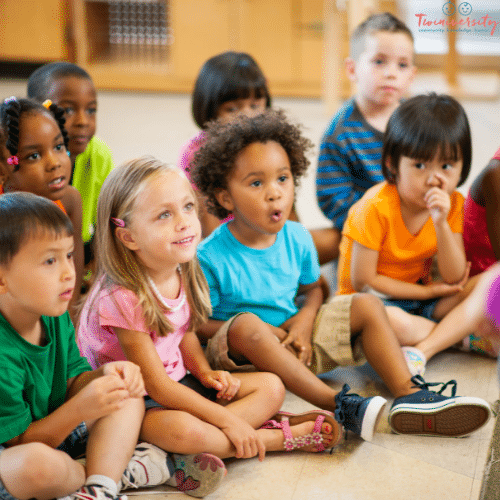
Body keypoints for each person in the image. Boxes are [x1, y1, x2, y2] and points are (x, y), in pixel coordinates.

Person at [190, 109, 491, 440]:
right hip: (242, 359)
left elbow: (314, 288)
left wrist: (304, 321)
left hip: (296, 342)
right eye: (256, 183)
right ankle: (340, 403)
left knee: (365, 305)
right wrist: (261, 331)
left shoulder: (297, 237)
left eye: (283, 178)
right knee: (247, 324)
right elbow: (196, 326)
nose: (275, 192)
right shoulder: (209, 257)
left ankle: (410, 395)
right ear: (224, 197)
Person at [77, 155, 342, 462]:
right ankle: (270, 438)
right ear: (128, 237)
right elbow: (157, 386)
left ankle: (205, 447)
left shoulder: (180, 267)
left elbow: (183, 332)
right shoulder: (123, 297)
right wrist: (225, 418)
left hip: (178, 382)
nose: (184, 222)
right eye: (164, 215)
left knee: (271, 386)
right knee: (184, 431)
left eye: (188, 207)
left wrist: (204, 372)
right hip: (137, 401)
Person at [0, 192, 226, 500]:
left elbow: (72, 382)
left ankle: (101, 488)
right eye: (50, 260)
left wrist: (106, 373)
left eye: (69, 255)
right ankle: (125, 469)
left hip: (60, 432)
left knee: (124, 391)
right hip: (19, 454)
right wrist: (80, 407)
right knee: (38, 466)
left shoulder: (52, 313)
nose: (69, 273)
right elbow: (22, 443)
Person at [337, 92, 486, 375]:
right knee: (394, 321)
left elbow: (455, 277)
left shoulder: (452, 203)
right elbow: (364, 282)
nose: (434, 179)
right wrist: (427, 290)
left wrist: (441, 223)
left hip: (422, 299)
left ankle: (438, 338)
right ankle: (457, 337)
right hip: (372, 303)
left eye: (446, 166)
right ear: (393, 164)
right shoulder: (374, 207)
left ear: (462, 165)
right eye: (420, 165)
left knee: (490, 281)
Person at [316, 12, 416, 264]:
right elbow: (332, 198)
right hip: (364, 229)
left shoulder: (416, 123)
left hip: (413, 221)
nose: (391, 73)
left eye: (402, 65)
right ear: (352, 69)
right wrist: (376, 225)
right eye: (379, 62)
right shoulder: (340, 133)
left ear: (411, 75)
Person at [0, 96, 84, 313]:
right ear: (2, 171)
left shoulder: (70, 200)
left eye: (58, 147)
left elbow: (74, 261)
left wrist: (69, 318)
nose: (55, 163)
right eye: (34, 155)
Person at [27, 62, 114, 271]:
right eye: (67, 110)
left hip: (79, 252)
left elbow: (107, 224)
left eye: (91, 110)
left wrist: (96, 271)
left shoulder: (99, 154)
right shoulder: (19, 158)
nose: (83, 121)